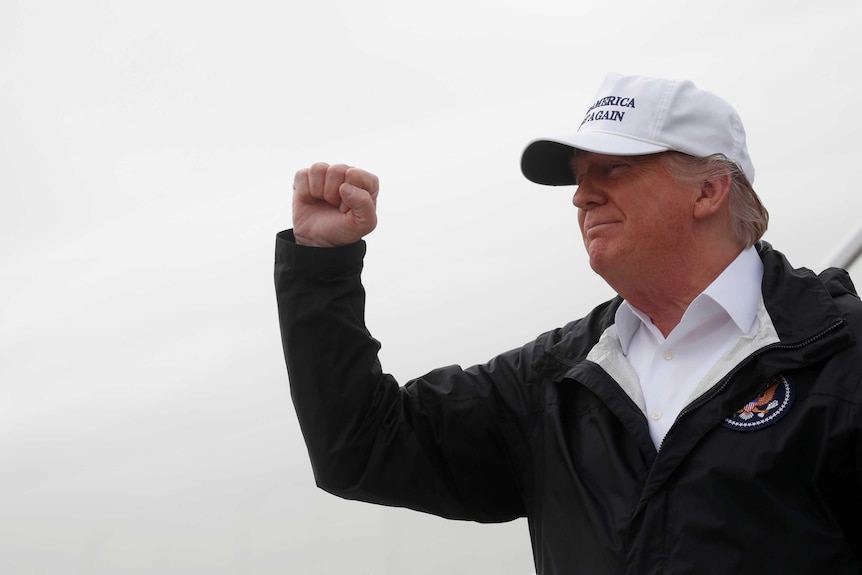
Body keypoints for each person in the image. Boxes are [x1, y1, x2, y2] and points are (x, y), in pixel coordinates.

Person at [274, 73, 862, 574]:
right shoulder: (552, 384)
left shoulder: (843, 355)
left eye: (613, 169)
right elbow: (360, 447)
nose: (582, 197)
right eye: (581, 177)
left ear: (709, 189)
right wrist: (321, 265)